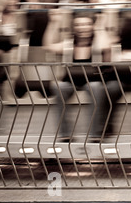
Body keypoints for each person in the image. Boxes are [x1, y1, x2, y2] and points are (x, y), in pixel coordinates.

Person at [43, 10, 112, 142]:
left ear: (92, 26)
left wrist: (99, 25)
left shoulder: (98, 42)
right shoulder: (68, 44)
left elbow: (106, 46)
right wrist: (53, 23)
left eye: (86, 24)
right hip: (70, 81)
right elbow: (48, 47)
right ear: (74, 28)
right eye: (79, 25)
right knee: (59, 87)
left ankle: (95, 134)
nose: (82, 28)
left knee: (96, 87)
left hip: (91, 82)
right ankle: (65, 133)